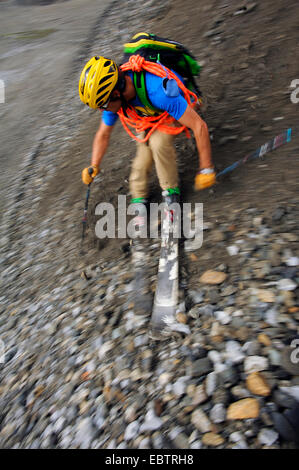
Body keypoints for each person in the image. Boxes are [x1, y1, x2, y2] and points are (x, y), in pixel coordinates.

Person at [79, 55, 216, 208]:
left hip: (176, 109)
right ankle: (139, 195)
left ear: (117, 94)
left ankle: (170, 191)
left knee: (158, 143)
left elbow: (199, 126)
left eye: (102, 105)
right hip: (149, 115)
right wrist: (94, 165)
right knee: (143, 153)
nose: (102, 110)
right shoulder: (113, 98)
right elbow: (103, 134)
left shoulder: (157, 92)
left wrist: (206, 168)